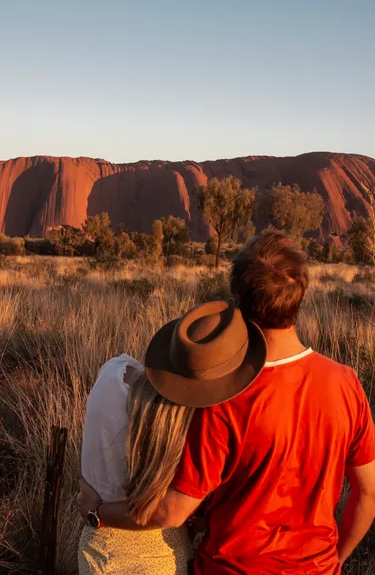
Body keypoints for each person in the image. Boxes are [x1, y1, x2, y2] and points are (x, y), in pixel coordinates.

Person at [79, 232, 375, 574]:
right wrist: (333, 561)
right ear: (301, 296)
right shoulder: (346, 383)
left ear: (237, 302)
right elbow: (367, 494)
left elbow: (173, 511)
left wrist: (99, 513)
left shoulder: (223, 399)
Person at [78, 300, 266, 574]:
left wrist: (96, 511)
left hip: (97, 547)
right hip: (163, 553)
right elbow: (174, 511)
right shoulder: (194, 428)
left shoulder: (112, 371)